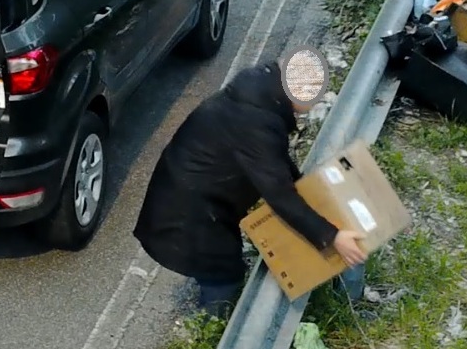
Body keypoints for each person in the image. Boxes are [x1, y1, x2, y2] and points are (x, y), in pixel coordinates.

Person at [133, 50, 369, 317]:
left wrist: (305, 187)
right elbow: (279, 195)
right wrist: (332, 236)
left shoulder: (259, 98)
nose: (315, 104)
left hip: (187, 201)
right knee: (224, 277)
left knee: (223, 268)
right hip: (187, 219)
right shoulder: (257, 122)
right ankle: (211, 325)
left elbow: (272, 161)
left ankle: (211, 317)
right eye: (313, 97)